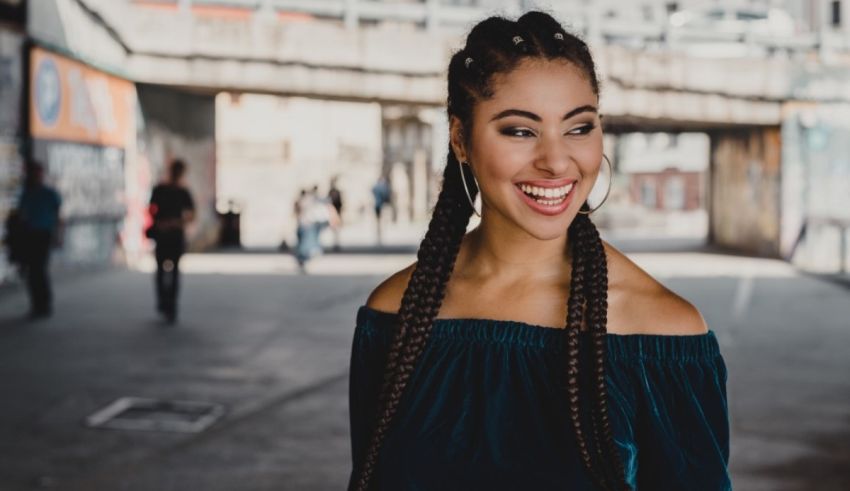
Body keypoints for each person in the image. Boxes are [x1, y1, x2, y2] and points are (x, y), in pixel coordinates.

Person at [348, 12, 730, 491]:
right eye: (520, 131)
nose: (555, 161)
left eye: (578, 128)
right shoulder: (395, 315)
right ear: (460, 139)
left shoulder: (663, 332)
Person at [149, 159, 195, 323]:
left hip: (166, 236)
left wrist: (164, 223)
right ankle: (169, 304)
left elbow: (151, 210)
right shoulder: (180, 192)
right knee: (172, 272)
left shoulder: (161, 189)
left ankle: (165, 302)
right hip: (173, 236)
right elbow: (191, 215)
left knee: (163, 271)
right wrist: (176, 222)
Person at [14, 160, 61, 319]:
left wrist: (57, 235)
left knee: (39, 269)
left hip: (43, 234)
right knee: (33, 271)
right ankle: (36, 304)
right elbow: (21, 216)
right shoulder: (27, 194)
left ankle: (44, 304)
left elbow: (58, 216)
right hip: (30, 235)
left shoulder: (49, 193)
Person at [294, 187, 339, 272]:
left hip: (309, 224)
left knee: (307, 242)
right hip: (307, 224)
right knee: (306, 242)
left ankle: (305, 258)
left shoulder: (316, 201)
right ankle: (304, 258)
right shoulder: (311, 201)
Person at [371, 176, 390, 245]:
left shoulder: (375, 187)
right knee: (382, 221)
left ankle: (379, 233)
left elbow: (372, 192)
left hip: (377, 205)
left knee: (378, 221)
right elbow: (386, 196)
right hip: (382, 205)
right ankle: (381, 233)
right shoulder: (384, 187)